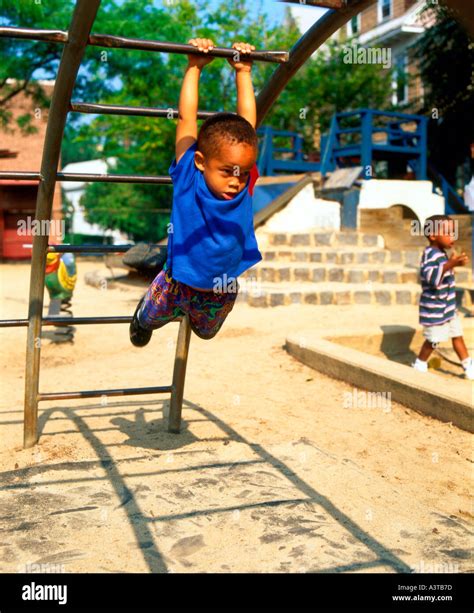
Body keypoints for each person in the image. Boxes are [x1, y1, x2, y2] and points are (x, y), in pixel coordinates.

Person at [129, 37, 261, 347]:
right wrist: (193, 68)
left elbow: (248, 127)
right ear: (201, 162)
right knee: (151, 316)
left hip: (221, 285)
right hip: (178, 281)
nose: (236, 181)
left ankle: (195, 317)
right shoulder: (190, 175)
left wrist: (243, 72)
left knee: (205, 332)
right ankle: (143, 315)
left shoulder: (243, 183)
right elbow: (187, 119)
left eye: (242, 173)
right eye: (227, 171)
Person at [412, 214, 473, 379]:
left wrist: (454, 264)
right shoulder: (429, 254)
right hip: (435, 310)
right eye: (448, 232)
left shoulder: (440, 253)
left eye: (454, 232)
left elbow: (444, 272)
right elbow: (430, 277)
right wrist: (451, 264)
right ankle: (420, 363)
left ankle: (468, 365)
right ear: (433, 235)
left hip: (448, 308)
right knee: (433, 340)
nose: (453, 236)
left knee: (457, 335)